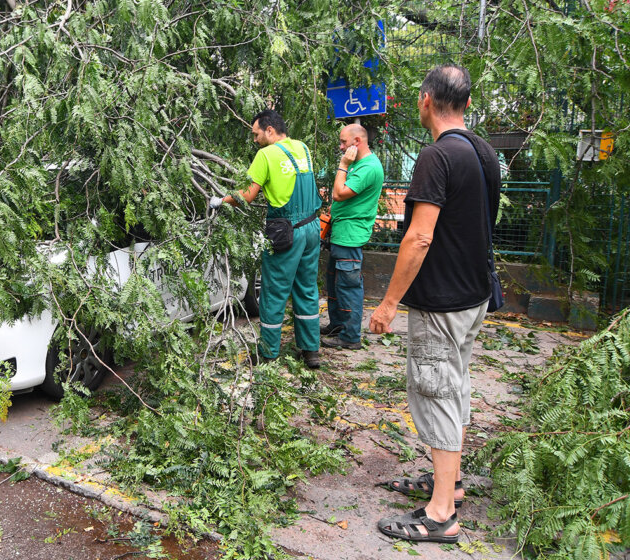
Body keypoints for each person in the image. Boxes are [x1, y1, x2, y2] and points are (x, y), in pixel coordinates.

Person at [368, 64, 500, 544]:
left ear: (426, 100)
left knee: (437, 394)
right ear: (465, 102)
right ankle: (451, 484)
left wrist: (387, 304)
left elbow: (419, 237)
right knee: (455, 387)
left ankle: (441, 514)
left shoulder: (436, 156)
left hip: (443, 304)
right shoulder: (484, 153)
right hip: (474, 297)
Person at [209, 110, 321, 368]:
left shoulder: (266, 155)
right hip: (312, 227)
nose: (255, 140)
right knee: (306, 288)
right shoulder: (302, 148)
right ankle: (311, 351)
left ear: (270, 130)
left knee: (273, 291)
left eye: (256, 134)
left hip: (286, 232)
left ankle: (269, 352)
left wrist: (221, 201)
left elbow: (246, 196)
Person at [320, 124, 384, 350]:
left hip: (350, 236)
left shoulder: (368, 167)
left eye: (343, 142)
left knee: (348, 287)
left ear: (357, 141)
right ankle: (338, 326)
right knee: (335, 284)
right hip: (341, 233)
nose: (340, 147)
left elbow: (338, 194)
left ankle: (350, 337)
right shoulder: (360, 164)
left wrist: (343, 165)